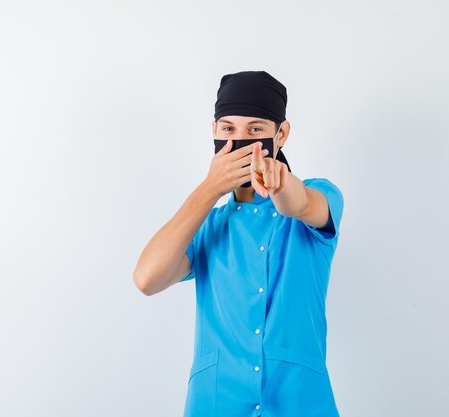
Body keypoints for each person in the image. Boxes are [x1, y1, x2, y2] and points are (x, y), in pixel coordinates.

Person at [133, 70, 344, 417]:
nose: (240, 140)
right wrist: (208, 189)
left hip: (299, 403)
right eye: (228, 129)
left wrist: (280, 184)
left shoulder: (320, 195)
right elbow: (147, 279)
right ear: (213, 132)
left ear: (281, 134)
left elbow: (299, 204)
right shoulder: (207, 226)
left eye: (256, 129)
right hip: (216, 404)